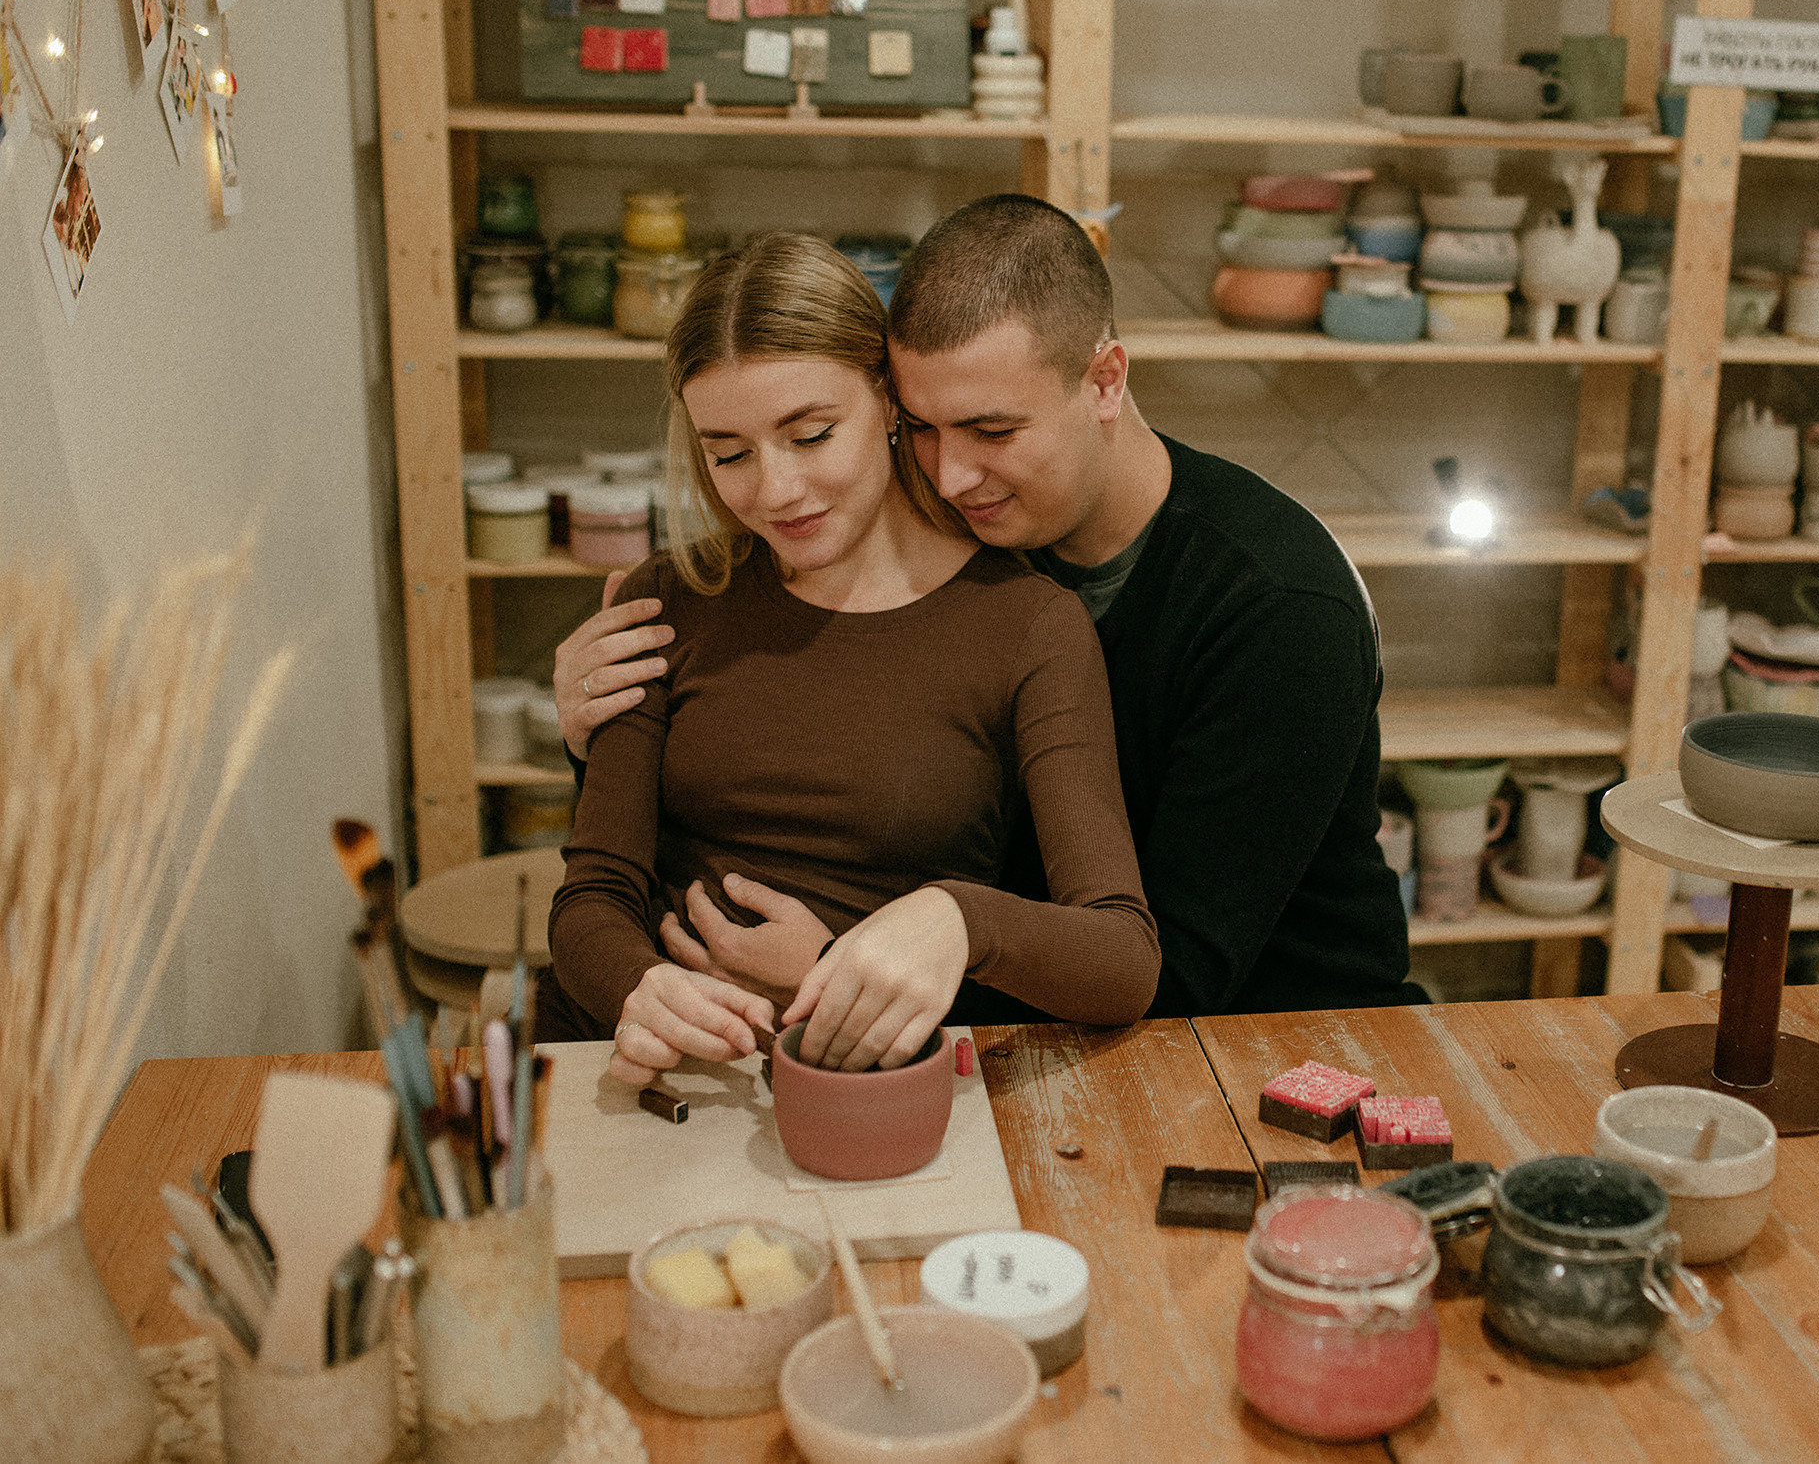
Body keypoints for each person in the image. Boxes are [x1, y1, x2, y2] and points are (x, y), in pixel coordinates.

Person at [556, 196, 1412, 1018]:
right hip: (986, 1014)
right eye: (924, 429)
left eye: (992, 432)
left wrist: (847, 971)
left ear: (1105, 381)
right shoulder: (989, 528)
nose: (950, 474)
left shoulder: (1279, 608)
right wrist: (597, 732)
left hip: (1276, 1029)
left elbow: (1173, 976)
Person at [544, 232, 1158, 1082]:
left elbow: (1121, 958)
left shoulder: (1028, 626)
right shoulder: (670, 600)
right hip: (657, 1074)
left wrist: (958, 920)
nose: (775, 490)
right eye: (728, 453)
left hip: (866, 1084)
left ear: (890, 402)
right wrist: (639, 987)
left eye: (812, 434)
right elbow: (592, 897)